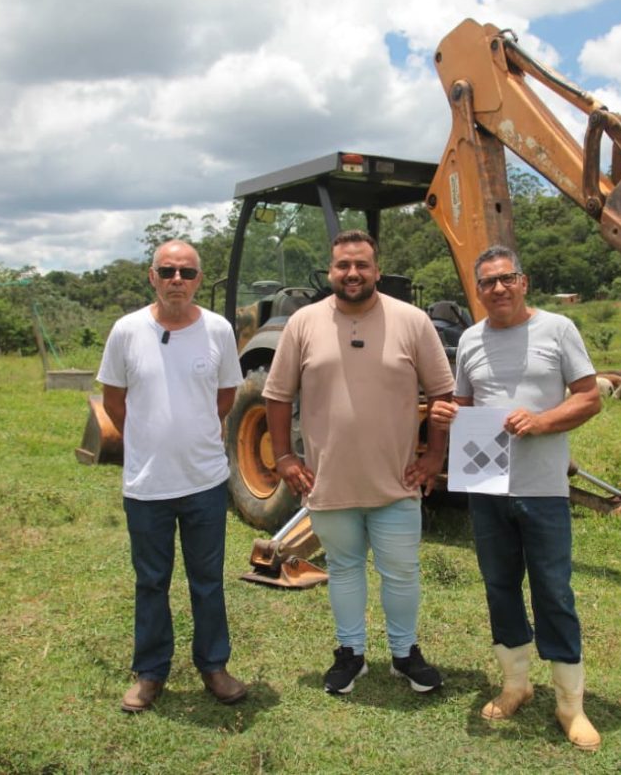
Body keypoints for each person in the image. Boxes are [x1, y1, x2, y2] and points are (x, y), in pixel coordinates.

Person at [263, 229, 455, 696]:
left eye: (361, 265)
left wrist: (434, 455)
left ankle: (404, 653)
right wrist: (284, 455)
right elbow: (277, 394)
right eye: (343, 265)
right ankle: (350, 653)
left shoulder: (411, 321)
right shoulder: (303, 323)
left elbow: (442, 392)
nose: (352, 273)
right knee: (344, 568)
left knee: (401, 571)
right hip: (329, 481)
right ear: (330, 272)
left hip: (396, 482)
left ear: (377, 271)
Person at [428, 244, 604, 751]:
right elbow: (464, 404)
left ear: (523, 282)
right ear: (478, 290)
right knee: (500, 586)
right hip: (487, 488)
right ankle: (515, 685)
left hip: (542, 488)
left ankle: (570, 705)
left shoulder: (558, 330)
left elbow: (589, 397)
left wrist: (542, 421)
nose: (498, 288)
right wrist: (445, 415)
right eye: (488, 282)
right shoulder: (470, 340)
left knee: (554, 591)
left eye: (507, 278)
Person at [97, 239, 248, 712]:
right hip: (147, 485)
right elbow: (114, 402)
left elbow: (225, 396)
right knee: (151, 581)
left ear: (199, 279)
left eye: (186, 272)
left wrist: (192, 432)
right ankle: (150, 673)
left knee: (208, 580)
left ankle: (214, 667)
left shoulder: (218, 330)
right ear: (153, 277)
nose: (176, 280)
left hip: (204, 481)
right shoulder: (126, 331)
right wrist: (148, 439)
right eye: (167, 271)